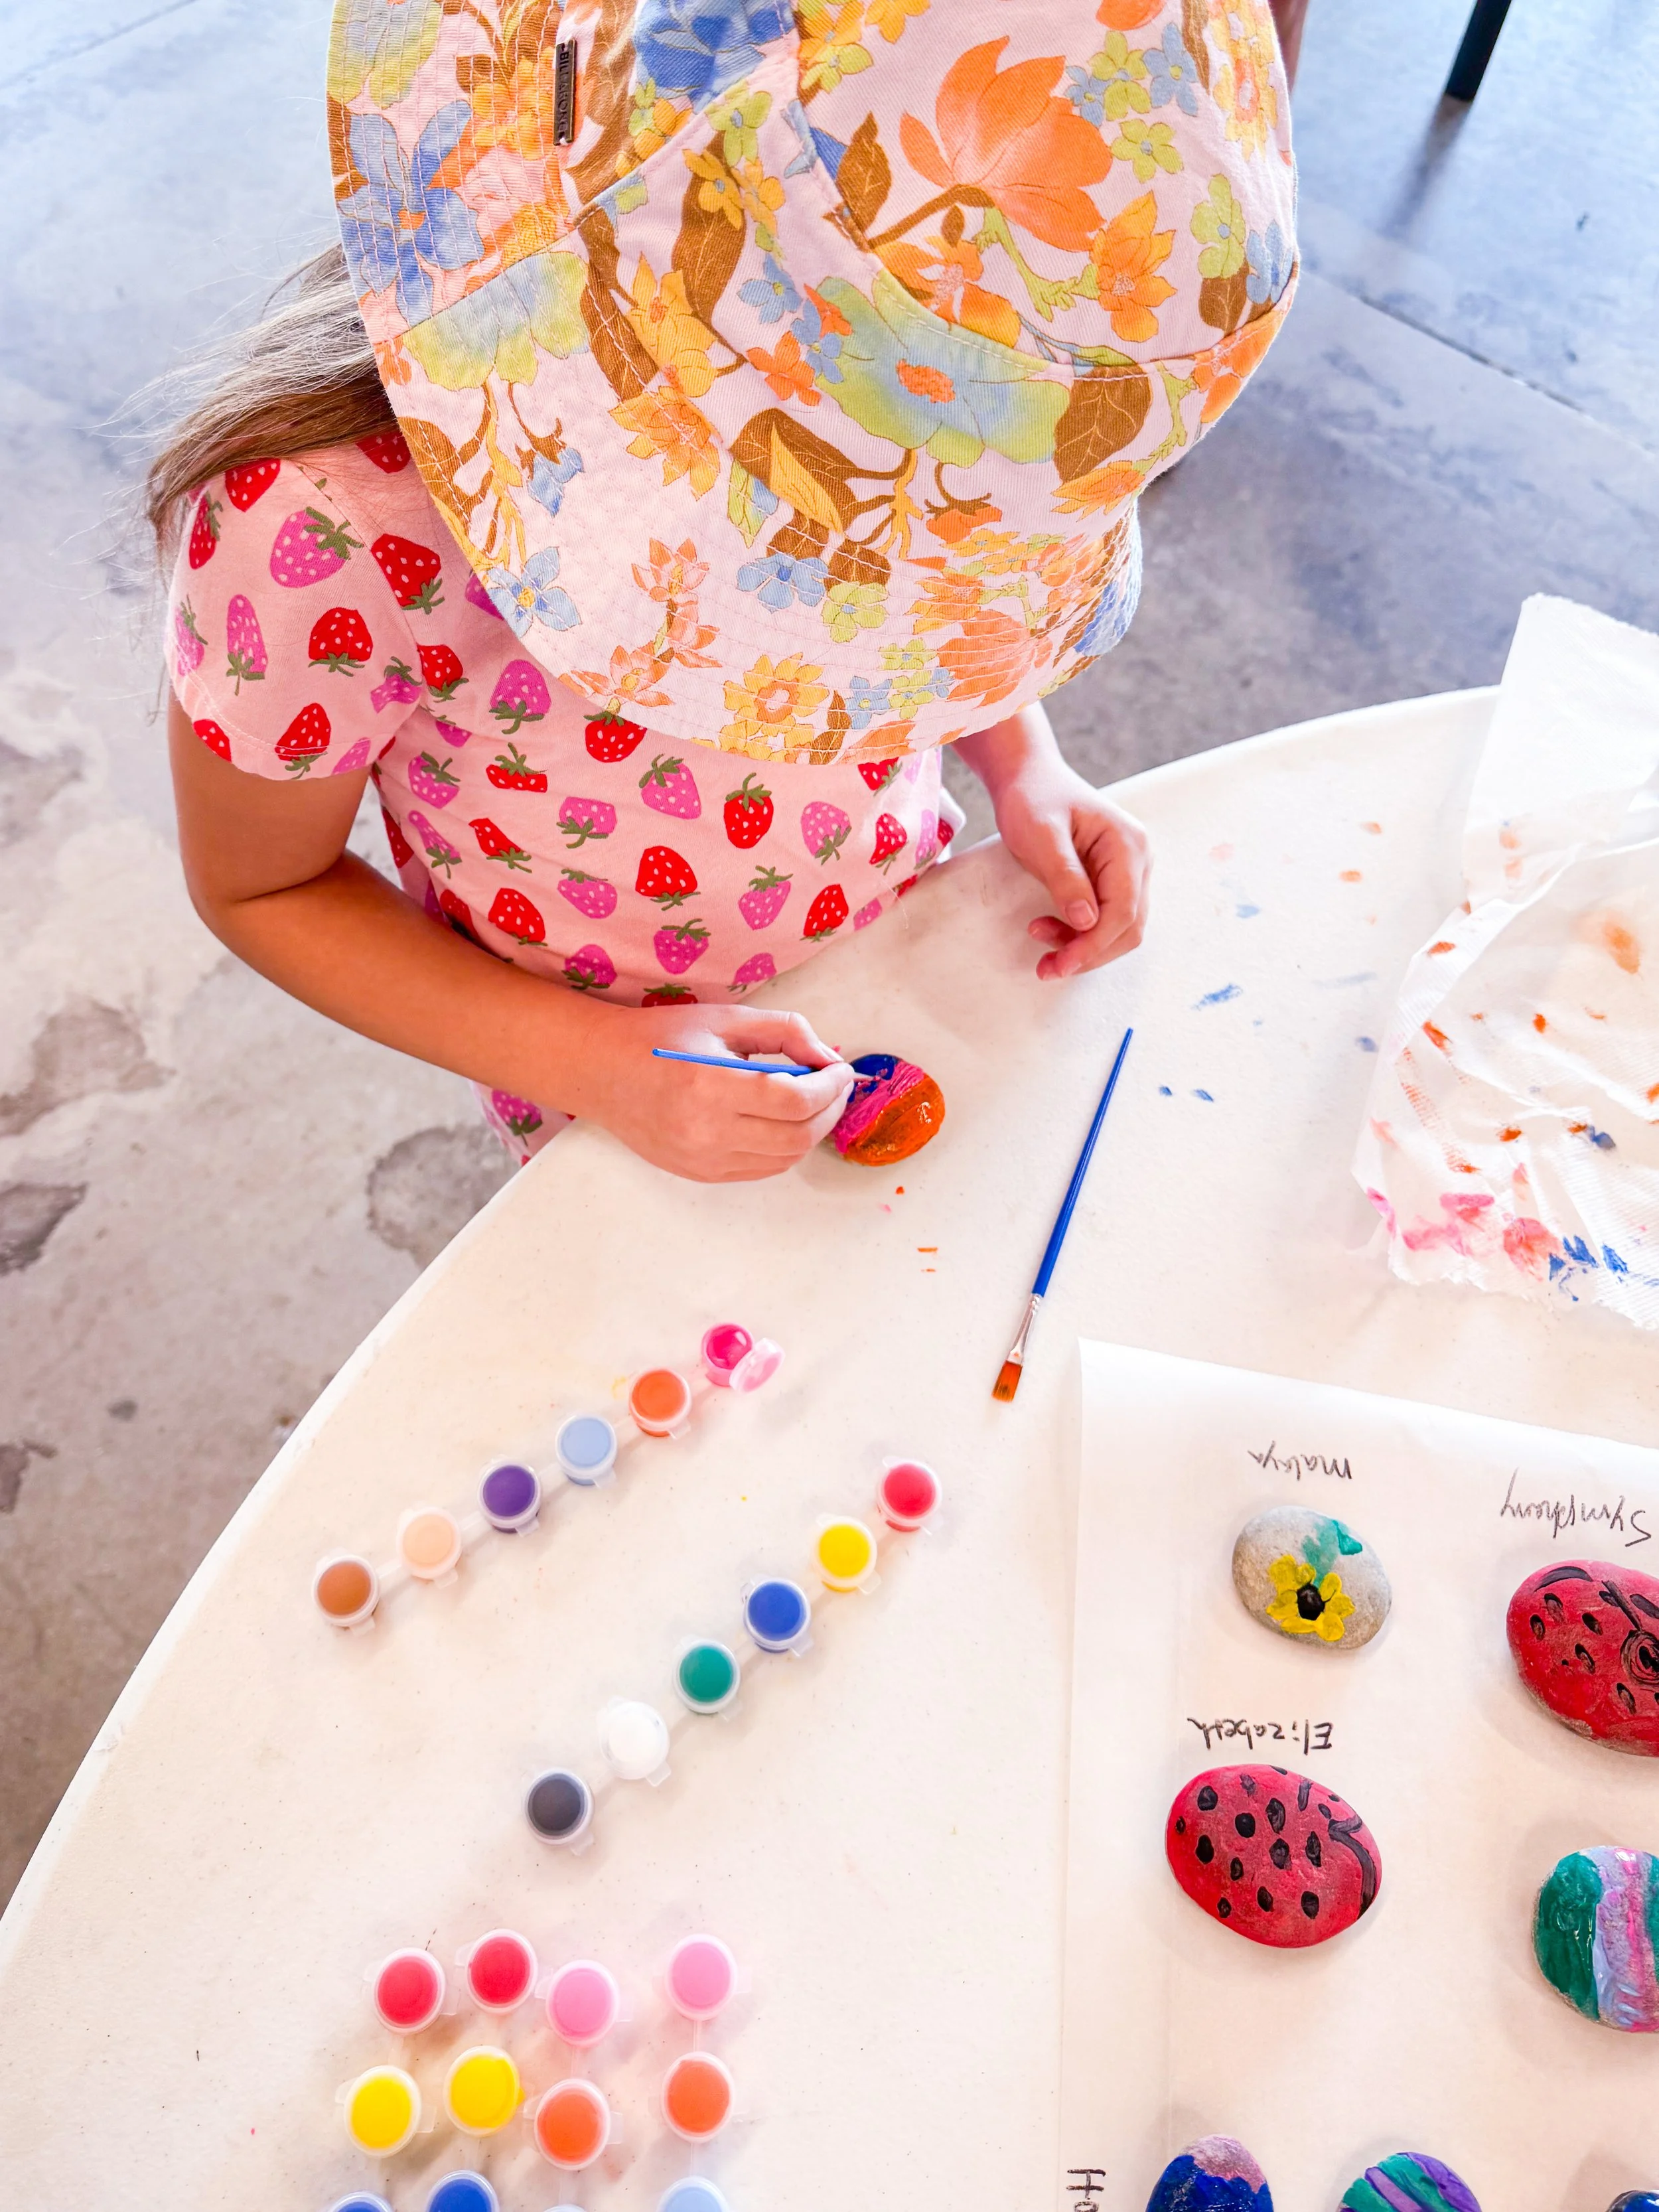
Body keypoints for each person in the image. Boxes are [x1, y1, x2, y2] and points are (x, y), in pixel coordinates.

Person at [153, 0, 1297, 1183]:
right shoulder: (326, 521)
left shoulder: (909, 509)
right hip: (613, 1082)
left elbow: (920, 591)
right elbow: (262, 885)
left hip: (893, 945)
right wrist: (598, 1065)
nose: (864, 546)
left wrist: (1024, 764)